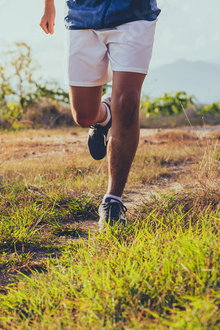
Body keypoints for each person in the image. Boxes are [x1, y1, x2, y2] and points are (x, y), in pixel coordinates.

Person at [40, 0, 161, 231]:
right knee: (84, 116)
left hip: (134, 14)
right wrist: (48, 6)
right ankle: (105, 116)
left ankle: (112, 201)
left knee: (126, 103)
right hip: (82, 16)